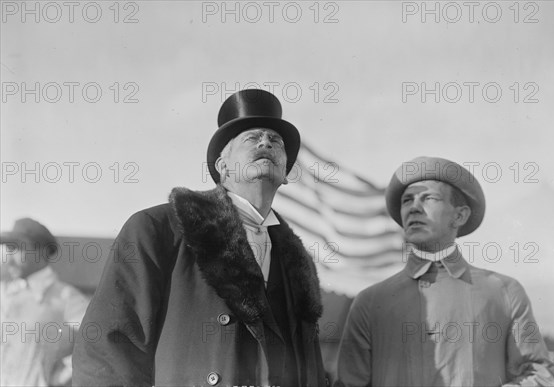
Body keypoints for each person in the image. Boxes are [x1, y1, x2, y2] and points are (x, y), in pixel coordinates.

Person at [73, 89, 326, 386]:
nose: (265, 142)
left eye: (276, 141)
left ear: (285, 173)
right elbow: (106, 349)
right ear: (222, 166)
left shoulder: (298, 263)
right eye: (251, 138)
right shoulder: (159, 228)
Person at [336, 157, 554, 387]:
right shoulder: (371, 302)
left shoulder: (503, 291)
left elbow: (541, 376)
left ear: (459, 215)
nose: (414, 208)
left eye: (429, 198)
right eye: (407, 200)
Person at [0, 218, 89, 386]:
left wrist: (62, 375)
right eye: (8, 249)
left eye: (15, 248)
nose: (9, 257)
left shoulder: (67, 297)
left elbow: (96, 344)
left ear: (40, 251)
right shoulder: (5, 292)